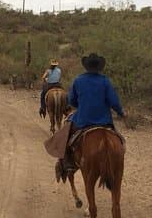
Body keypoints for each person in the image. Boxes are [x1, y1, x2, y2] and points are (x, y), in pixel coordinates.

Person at [44, 53, 125, 182]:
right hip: (104, 120)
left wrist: (79, 104)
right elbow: (113, 101)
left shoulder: (78, 80)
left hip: (83, 119)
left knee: (66, 132)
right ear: (99, 67)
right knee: (119, 139)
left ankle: (66, 162)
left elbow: (72, 101)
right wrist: (121, 112)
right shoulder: (105, 81)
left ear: (86, 67)